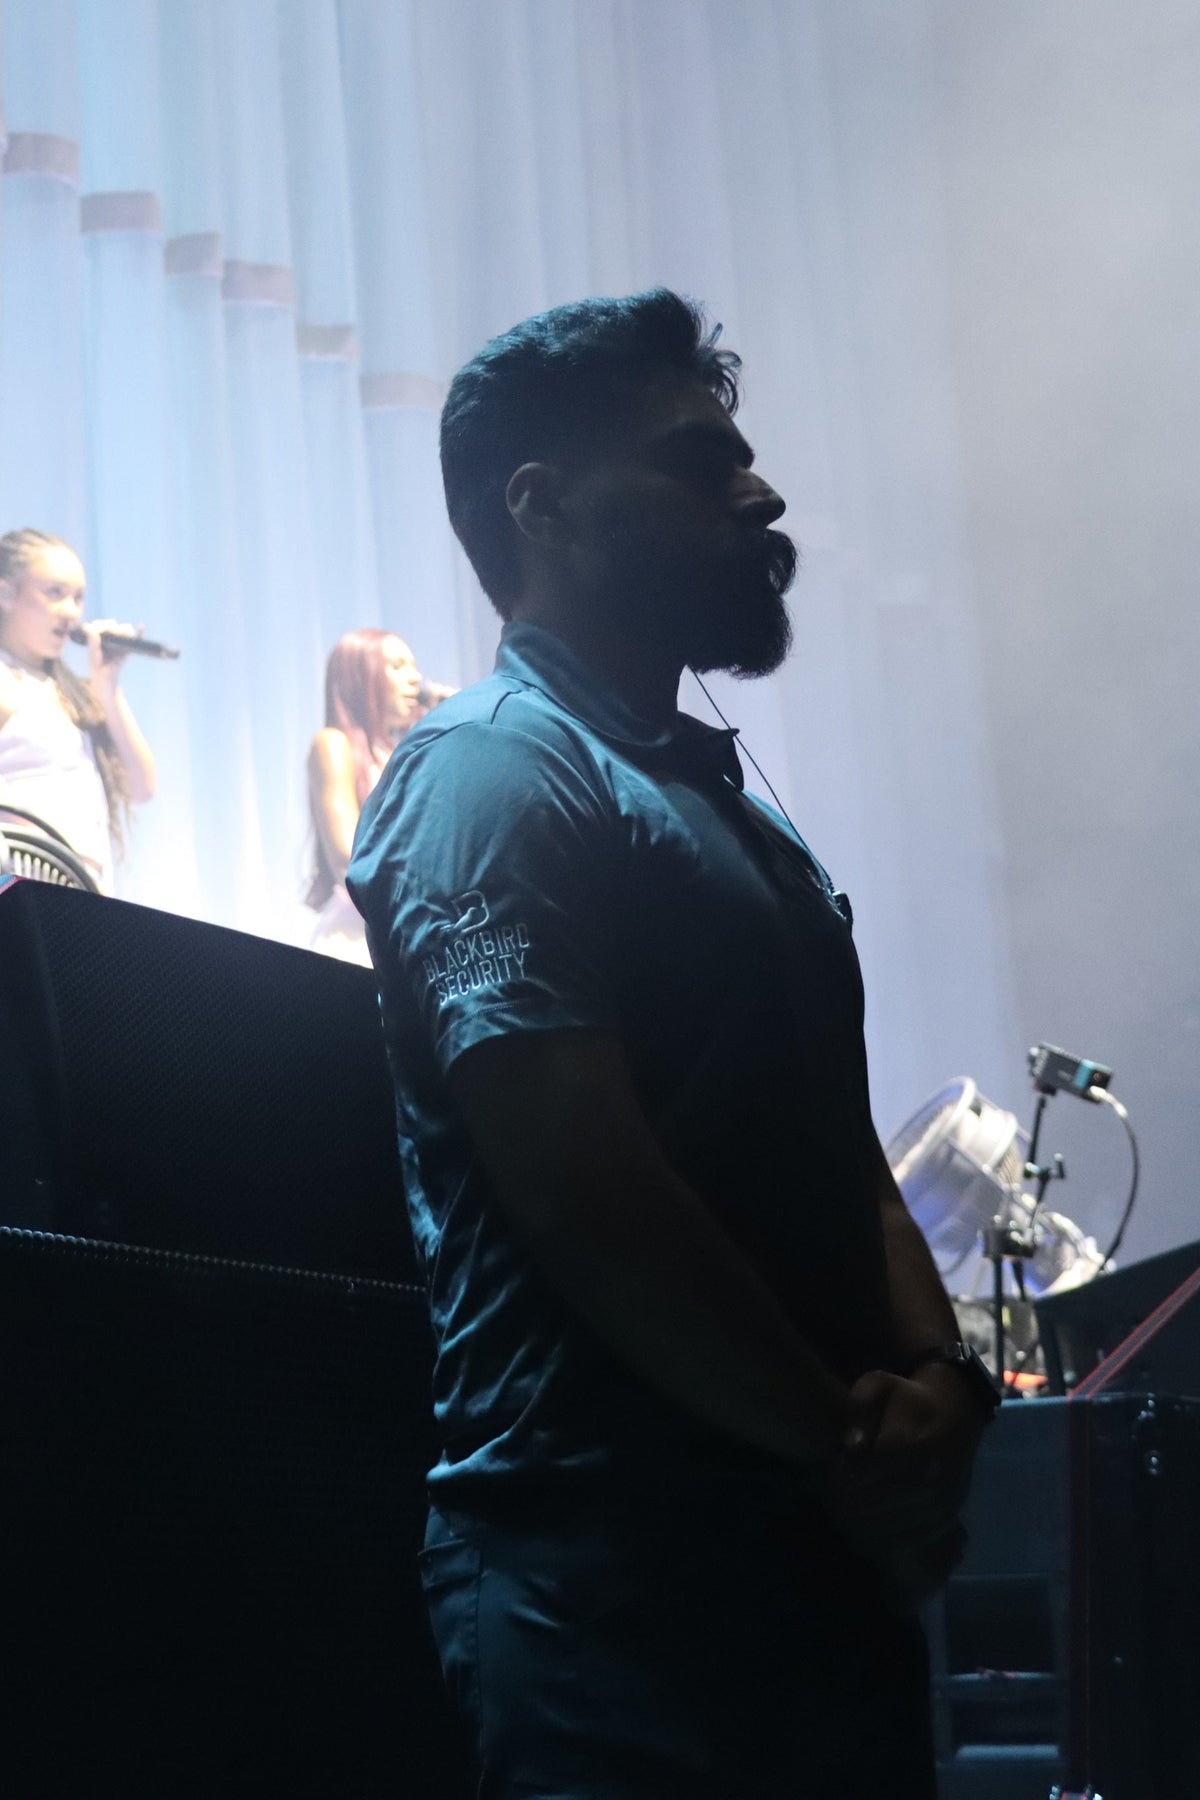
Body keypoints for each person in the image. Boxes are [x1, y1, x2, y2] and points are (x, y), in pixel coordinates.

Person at [347, 291, 999, 1797]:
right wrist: (857, 1456)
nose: (757, 494)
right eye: (702, 463)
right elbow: (587, 1192)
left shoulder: (732, 815)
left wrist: (939, 1386)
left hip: (810, 1564)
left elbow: (843, 1157)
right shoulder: (490, 774)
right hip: (615, 1595)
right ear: (542, 505)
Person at [0, 527, 156, 893]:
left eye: (78, 598)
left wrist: (107, 687)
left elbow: (140, 787)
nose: (70, 612)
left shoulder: (76, 694)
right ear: (6, 593)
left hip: (82, 886)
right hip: (23, 885)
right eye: (54, 593)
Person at [306, 626, 454, 965]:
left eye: (414, 667)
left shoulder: (407, 750)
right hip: (358, 940)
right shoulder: (333, 744)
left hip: (412, 933)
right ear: (361, 677)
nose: (414, 679)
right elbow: (347, 855)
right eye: (398, 666)